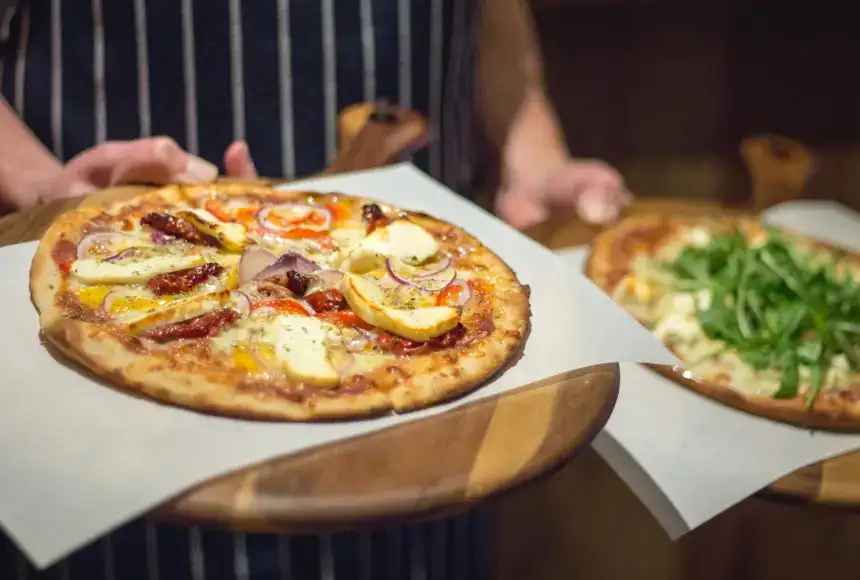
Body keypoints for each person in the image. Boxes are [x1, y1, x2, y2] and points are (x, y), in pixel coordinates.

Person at [0, 0, 630, 578]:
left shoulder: (469, 299)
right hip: (119, 209)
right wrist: (36, 181)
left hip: (430, 412)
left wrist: (534, 150)